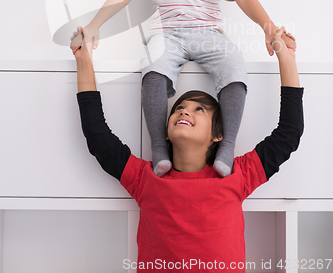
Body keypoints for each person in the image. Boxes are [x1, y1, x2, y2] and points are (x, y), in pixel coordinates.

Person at [71, 0, 296, 178]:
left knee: (234, 65)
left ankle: (227, 144)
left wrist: (269, 27)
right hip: (167, 34)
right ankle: (158, 147)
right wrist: (94, 25)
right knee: (152, 67)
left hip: (208, 33)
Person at [71, 26, 303, 272]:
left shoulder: (238, 175)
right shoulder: (145, 178)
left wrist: (286, 59)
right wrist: (84, 58)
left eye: (198, 109)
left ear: (218, 135)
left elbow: (289, 133)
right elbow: (98, 136)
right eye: (179, 107)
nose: (183, 111)